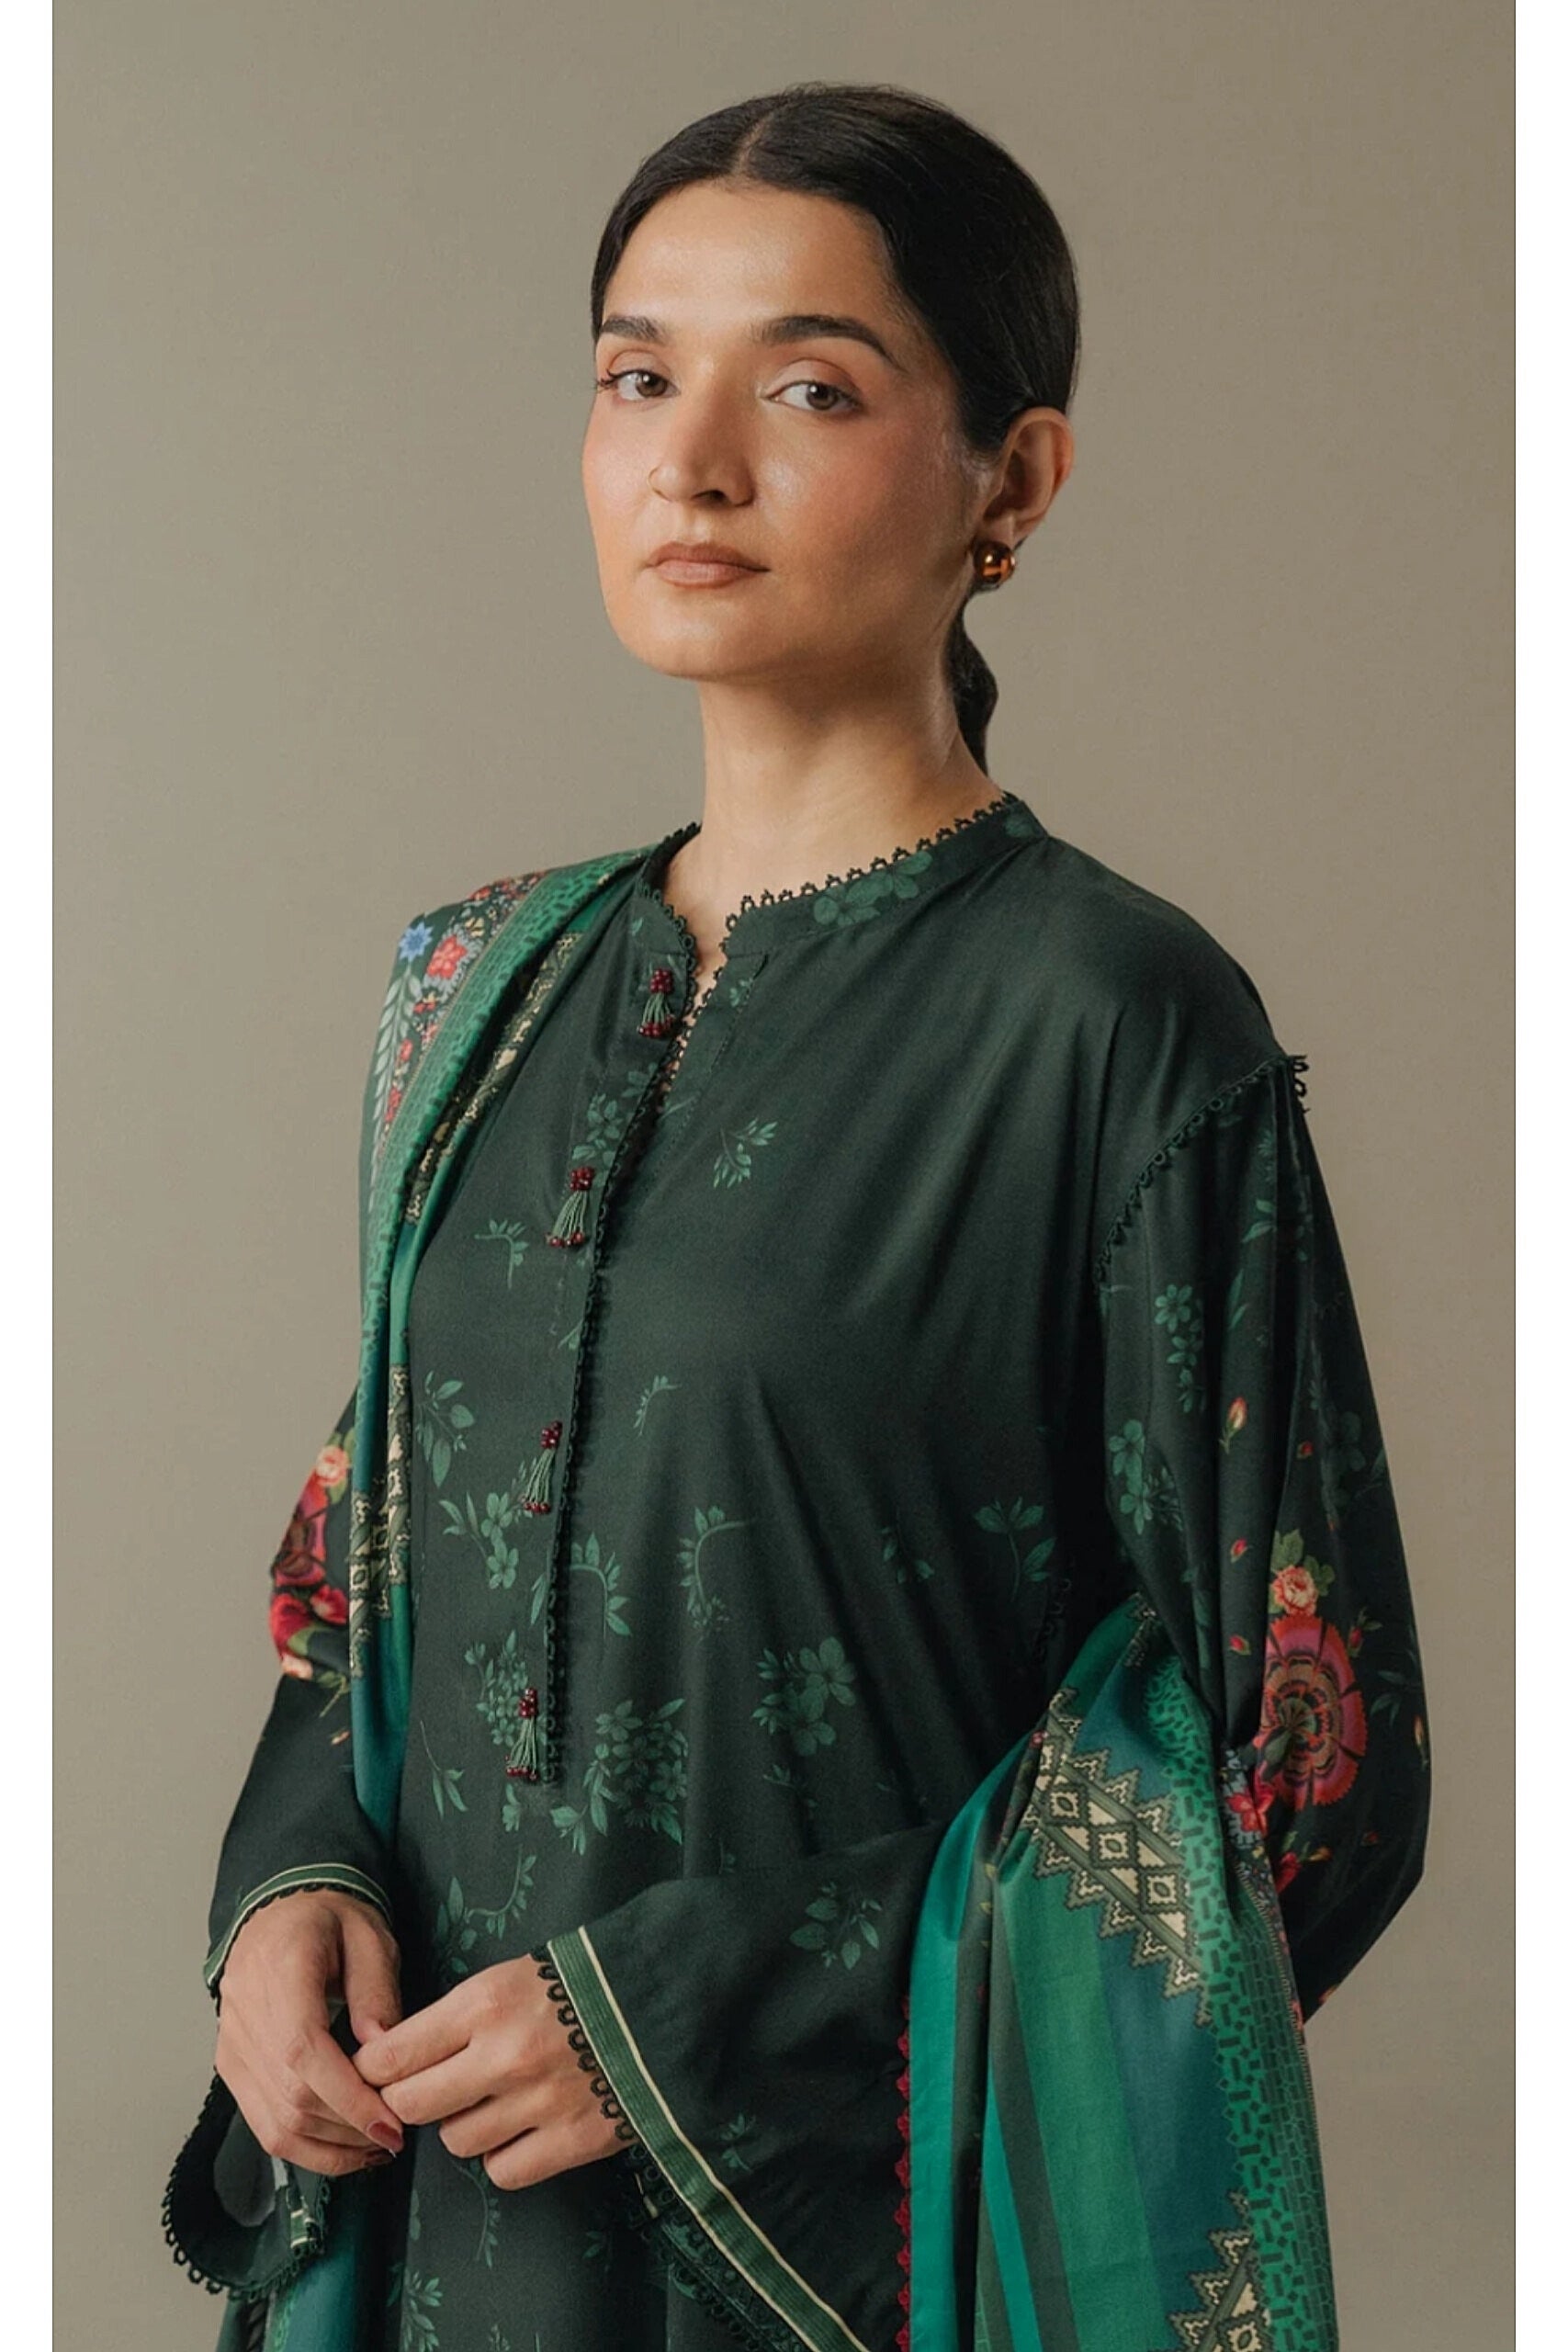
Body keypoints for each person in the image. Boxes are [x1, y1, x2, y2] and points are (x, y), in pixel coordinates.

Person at [163, 79, 1431, 2352]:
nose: (692, 461)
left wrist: (706, 2015)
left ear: (1009, 482)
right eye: (636, 377)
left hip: (840, 2265)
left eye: (811, 388)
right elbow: (366, 1584)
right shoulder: (473, 989)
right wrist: (287, 1889)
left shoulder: (1108, 1018)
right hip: (434, 2217)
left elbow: (1295, 1775)